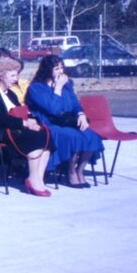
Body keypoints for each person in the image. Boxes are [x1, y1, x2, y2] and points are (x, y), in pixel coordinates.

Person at [0, 56, 52, 196]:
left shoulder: (10, 93)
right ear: (1, 76)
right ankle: (33, 178)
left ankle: (37, 178)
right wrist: (24, 124)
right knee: (32, 136)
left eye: (17, 75)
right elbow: (0, 119)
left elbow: (20, 110)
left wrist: (32, 120)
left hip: (9, 126)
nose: (16, 79)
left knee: (45, 133)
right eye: (12, 75)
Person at [25, 55, 103, 188]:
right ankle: (70, 172)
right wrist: (58, 88)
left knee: (92, 137)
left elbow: (74, 103)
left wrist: (81, 114)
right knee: (74, 138)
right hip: (49, 124)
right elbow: (53, 109)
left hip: (67, 121)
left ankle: (80, 171)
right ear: (47, 70)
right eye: (56, 68)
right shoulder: (36, 88)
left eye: (62, 68)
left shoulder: (67, 84)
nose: (60, 71)